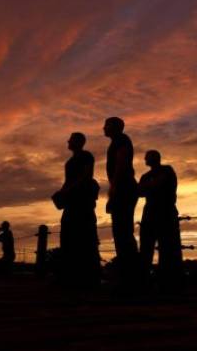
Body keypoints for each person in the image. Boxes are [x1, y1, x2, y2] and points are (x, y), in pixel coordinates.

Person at [52, 132, 101, 287]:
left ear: (79, 142)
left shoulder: (86, 156)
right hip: (71, 202)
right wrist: (61, 194)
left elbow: (86, 176)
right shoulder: (69, 162)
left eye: (71, 140)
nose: (68, 141)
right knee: (68, 235)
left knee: (86, 237)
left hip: (83, 201)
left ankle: (89, 277)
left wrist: (67, 191)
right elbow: (67, 181)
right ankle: (69, 275)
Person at [138, 150, 183, 289]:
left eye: (148, 156)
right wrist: (153, 185)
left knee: (168, 249)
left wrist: (150, 186)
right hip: (150, 214)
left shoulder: (167, 170)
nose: (146, 158)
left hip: (166, 213)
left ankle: (168, 281)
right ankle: (145, 281)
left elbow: (146, 189)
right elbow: (140, 192)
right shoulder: (146, 176)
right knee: (146, 248)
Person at [103, 117, 139, 289]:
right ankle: (128, 274)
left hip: (124, 189)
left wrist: (113, 190)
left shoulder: (122, 140)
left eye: (106, 124)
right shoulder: (117, 142)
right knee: (121, 231)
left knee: (123, 231)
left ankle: (130, 276)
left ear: (115, 127)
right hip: (123, 189)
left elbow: (121, 164)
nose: (103, 127)